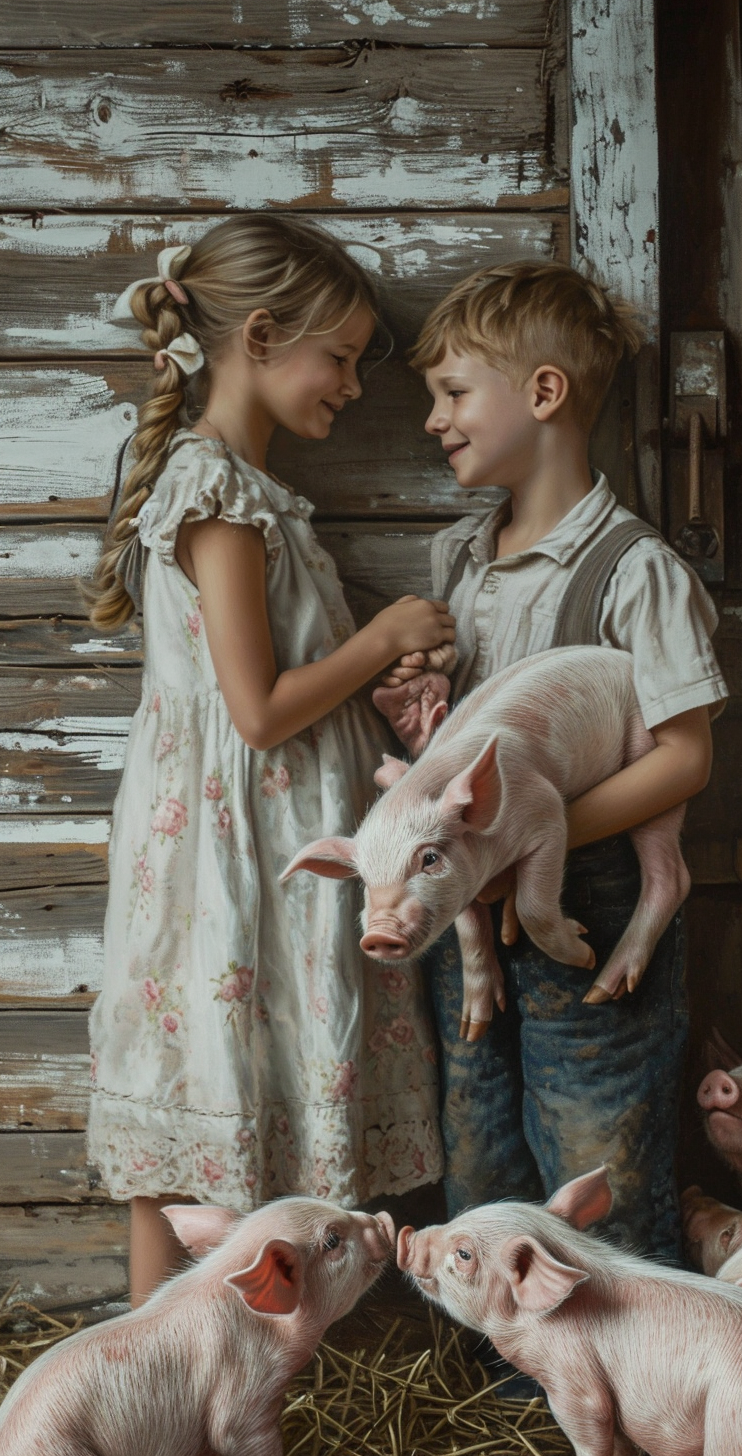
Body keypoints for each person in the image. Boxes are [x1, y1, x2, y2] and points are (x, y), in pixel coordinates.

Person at [85, 215, 454, 1306]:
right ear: (256, 335)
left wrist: (390, 687)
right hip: (230, 843)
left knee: (250, 1085)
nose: (350, 382)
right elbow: (255, 710)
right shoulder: (216, 493)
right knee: (196, 1097)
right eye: (337, 356)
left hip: (275, 833)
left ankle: (237, 1367)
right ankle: (156, 1359)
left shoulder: (255, 495)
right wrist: (381, 637)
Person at [390, 261, 728, 1270]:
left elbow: (686, 758)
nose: (433, 421)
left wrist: (526, 840)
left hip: (593, 898)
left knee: (597, 1150)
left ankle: (622, 1382)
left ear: (544, 393)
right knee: (479, 1141)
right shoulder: (456, 562)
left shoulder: (634, 570)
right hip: (469, 916)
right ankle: (507, 1389)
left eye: (453, 394)